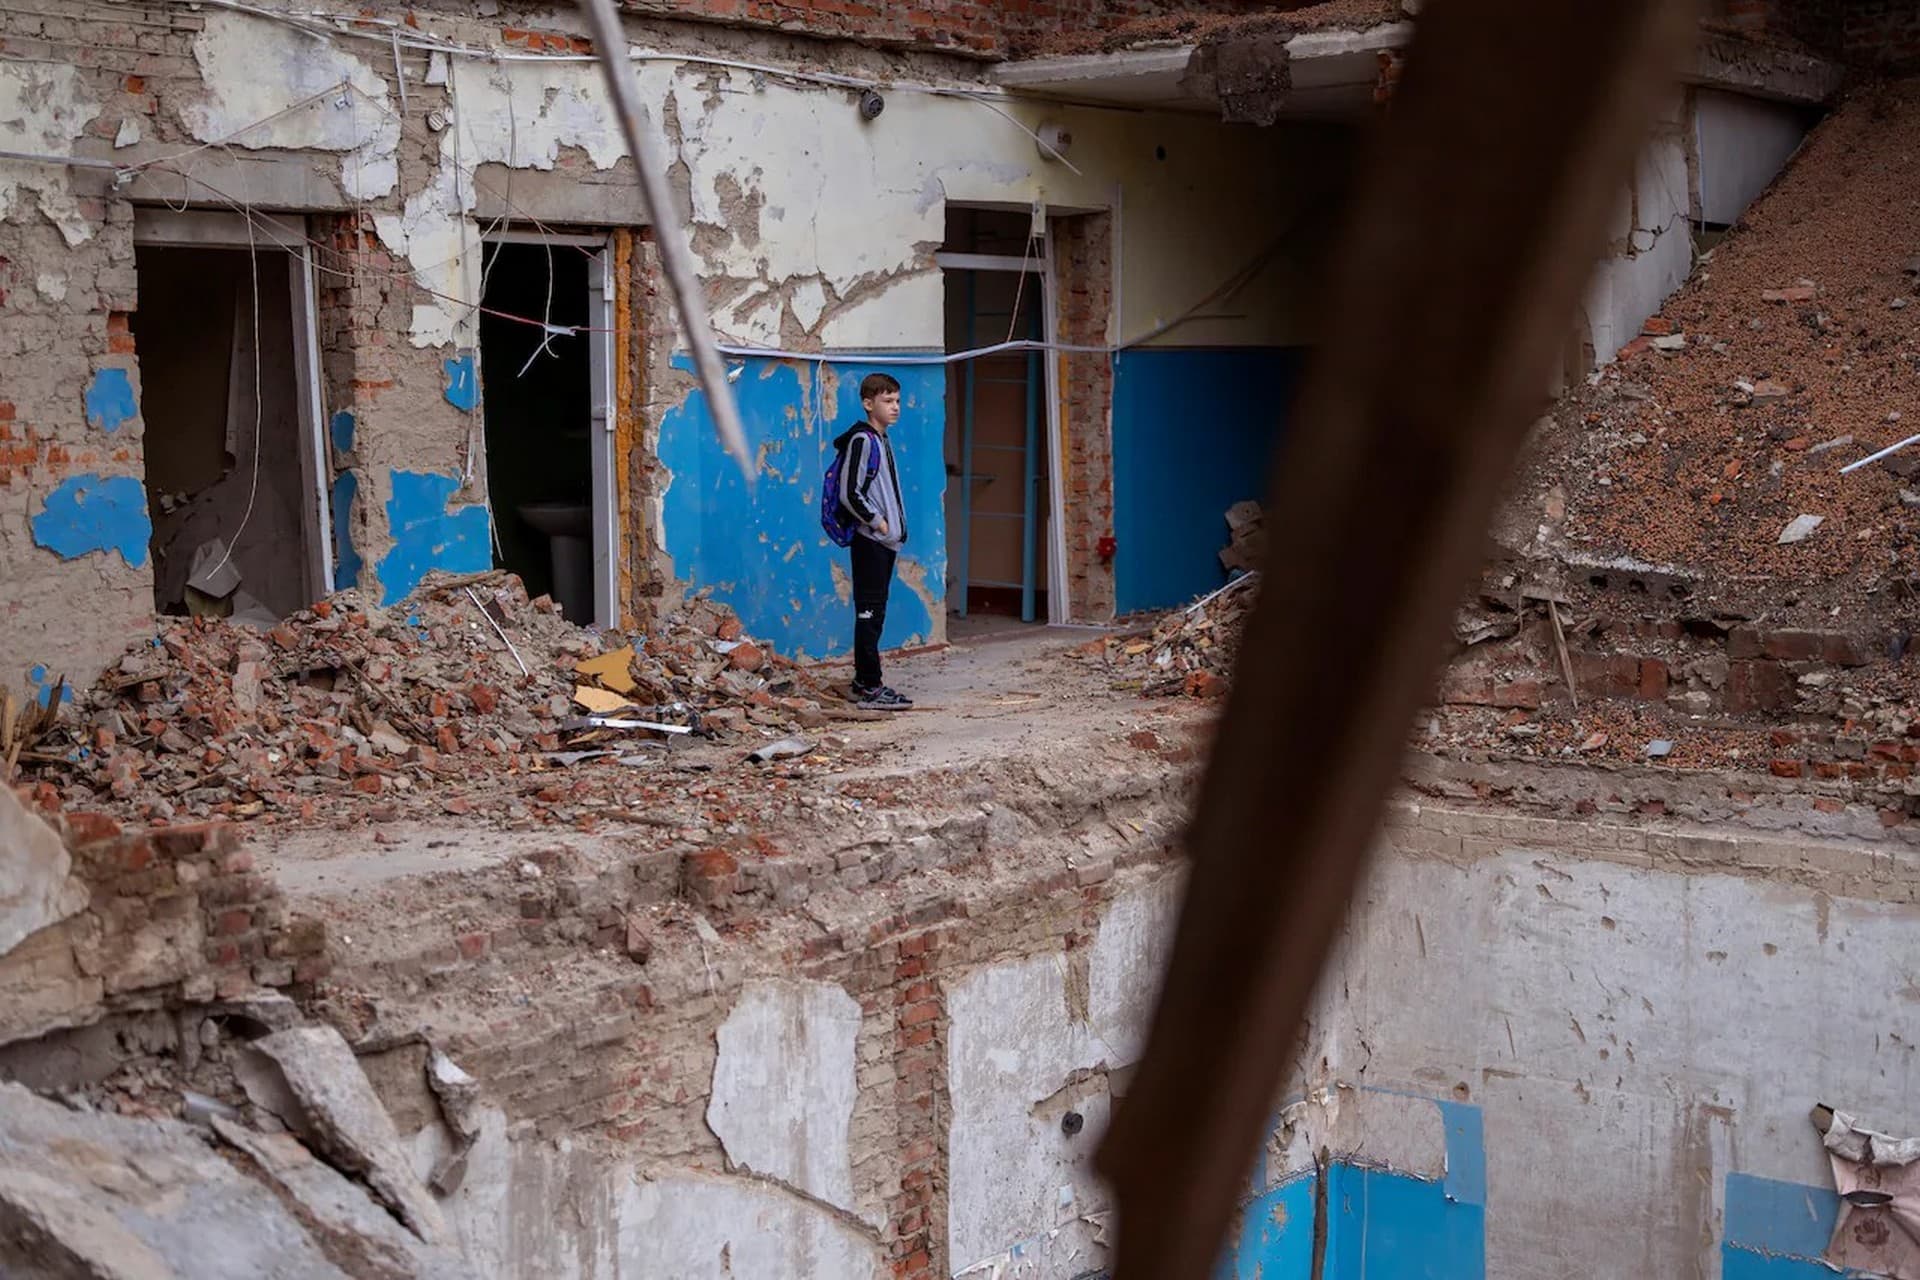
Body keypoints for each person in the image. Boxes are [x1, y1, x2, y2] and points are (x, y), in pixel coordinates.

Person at [832, 373, 914, 710]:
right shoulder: (863, 440)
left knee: (874, 613)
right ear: (869, 404)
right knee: (868, 613)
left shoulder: (882, 439)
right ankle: (868, 685)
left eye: (897, 400)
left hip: (885, 542)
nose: (895, 407)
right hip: (871, 542)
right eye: (887, 401)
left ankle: (866, 681)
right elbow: (849, 492)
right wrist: (878, 523)